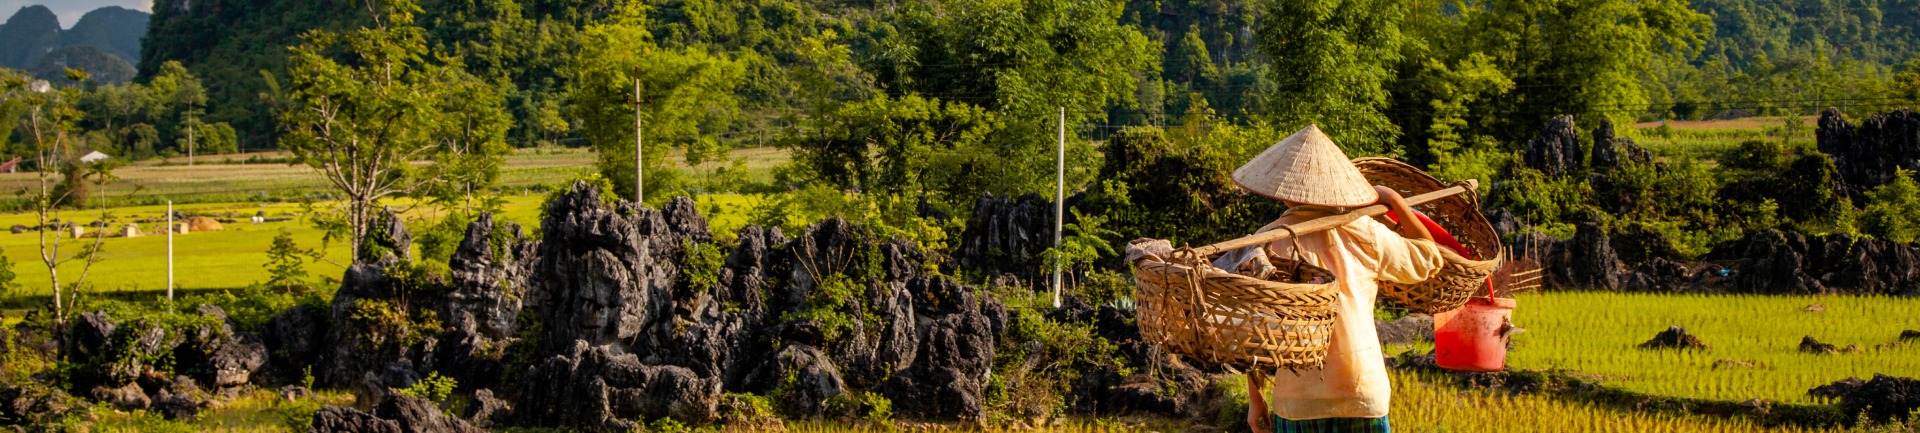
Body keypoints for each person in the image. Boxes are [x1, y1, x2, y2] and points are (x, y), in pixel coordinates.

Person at [1232, 125, 1447, 433]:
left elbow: (1256, 331)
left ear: (1280, 191)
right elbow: (1429, 259)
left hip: (1297, 397)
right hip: (1362, 391)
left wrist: (1257, 401)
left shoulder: (1264, 242)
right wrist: (1395, 201)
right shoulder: (1364, 230)